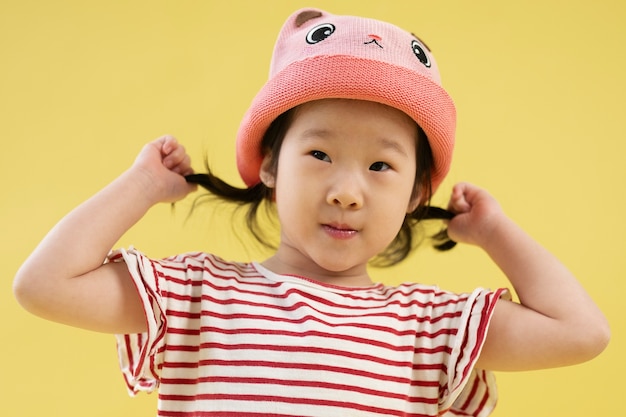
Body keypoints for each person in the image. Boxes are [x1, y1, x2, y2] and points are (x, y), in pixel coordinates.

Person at [13, 7, 609, 417]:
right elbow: (43, 285)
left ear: (416, 194)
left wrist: (496, 232)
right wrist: (140, 185)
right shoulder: (195, 295)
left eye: (382, 167)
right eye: (319, 153)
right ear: (271, 165)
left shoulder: (428, 329)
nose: (347, 191)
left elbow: (581, 333)